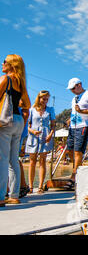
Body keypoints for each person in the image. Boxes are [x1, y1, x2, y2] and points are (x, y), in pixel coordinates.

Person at [0, 54, 31, 206]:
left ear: (11, 64)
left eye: (5, 61)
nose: (2, 63)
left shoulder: (5, 79)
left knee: (2, 159)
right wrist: (23, 122)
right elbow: (27, 105)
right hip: (18, 120)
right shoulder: (21, 83)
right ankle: (14, 195)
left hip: (5, 121)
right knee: (13, 160)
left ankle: (0, 197)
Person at [66, 77, 88, 187]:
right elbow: (75, 110)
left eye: (73, 88)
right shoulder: (74, 98)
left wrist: (82, 111)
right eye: (70, 89)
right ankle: (78, 169)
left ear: (79, 85)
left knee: (77, 151)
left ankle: (74, 176)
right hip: (73, 126)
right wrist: (70, 119)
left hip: (84, 125)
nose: (72, 91)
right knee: (69, 150)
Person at [25, 90, 56, 194]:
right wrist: (33, 131)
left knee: (42, 161)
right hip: (33, 136)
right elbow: (27, 126)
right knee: (32, 161)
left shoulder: (51, 110)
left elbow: (53, 125)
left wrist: (50, 135)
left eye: (47, 99)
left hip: (45, 136)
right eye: (44, 99)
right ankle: (30, 186)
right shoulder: (32, 110)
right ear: (39, 98)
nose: (45, 101)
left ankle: (40, 186)